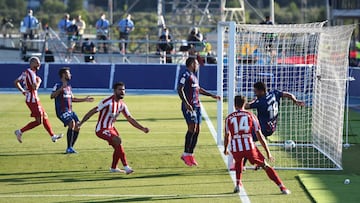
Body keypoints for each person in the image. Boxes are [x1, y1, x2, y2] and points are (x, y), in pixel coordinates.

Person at [224, 95, 291, 194]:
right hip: (249, 147)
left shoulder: (229, 118)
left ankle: (238, 184)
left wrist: (225, 148)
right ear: (244, 104)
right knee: (265, 165)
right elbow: (259, 135)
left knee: (238, 162)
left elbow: (227, 136)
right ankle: (282, 187)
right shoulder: (251, 116)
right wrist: (268, 152)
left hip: (236, 148)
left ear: (234, 105)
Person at [79, 82, 149, 174]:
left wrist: (142, 128)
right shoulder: (107, 101)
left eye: (123, 90)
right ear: (115, 91)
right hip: (101, 129)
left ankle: (113, 168)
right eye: (120, 90)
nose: (122, 92)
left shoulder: (122, 105)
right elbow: (93, 111)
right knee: (117, 140)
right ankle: (126, 167)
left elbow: (130, 118)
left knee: (118, 146)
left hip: (111, 128)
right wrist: (81, 123)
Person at [239, 81, 305, 169]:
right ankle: (254, 162)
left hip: (263, 128)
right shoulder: (274, 93)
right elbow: (288, 94)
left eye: (256, 91)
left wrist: (253, 100)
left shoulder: (260, 102)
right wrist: (295, 100)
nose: (255, 93)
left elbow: (245, 106)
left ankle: (256, 162)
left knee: (248, 141)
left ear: (261, 91)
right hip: (272, 127)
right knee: (249, 140)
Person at [178, 57, 220, 166]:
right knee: (192, 128)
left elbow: (199, 89)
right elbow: (179, 88)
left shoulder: (194, 77)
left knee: (197, 130)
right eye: (197, 64)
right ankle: (186, 154)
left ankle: (190, 154)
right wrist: (186, 103)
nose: (198, 66)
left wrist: (212, 95)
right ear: (192, 64)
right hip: (190, 106)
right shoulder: (185, 74)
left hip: (197, 106)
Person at [13, 57, 63, 143]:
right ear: (32, 63)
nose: (39, 64)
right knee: (39, 121)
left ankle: (53, 136)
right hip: (33, 100)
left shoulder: (26, 72)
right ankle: (20, 131)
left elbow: (16, 81)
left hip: (32, 98)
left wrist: (23, 91)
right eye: (37, 63)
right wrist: (39, 81)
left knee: (44, 116)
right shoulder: (32, 74)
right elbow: (34, 87)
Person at [51, 67, 94, 154]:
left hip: (70, 111)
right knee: (72, 123)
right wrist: (60, 89)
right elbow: (52, 96)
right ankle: (69, 148)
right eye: (68, 73)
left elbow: (73, 99)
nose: (70, 75)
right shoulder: (58, 85)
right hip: (61, 111)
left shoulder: (69, 87)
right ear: (63, 75)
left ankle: (70, 147)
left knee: (78, 126)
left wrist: (85, 99)